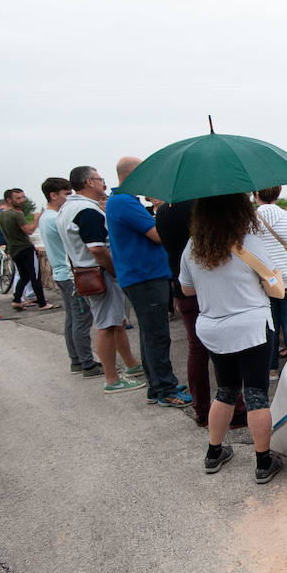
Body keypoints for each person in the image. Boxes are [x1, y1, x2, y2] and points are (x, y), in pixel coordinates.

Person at [178, 192, 283, 483]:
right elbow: (274, 283)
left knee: (225, 390)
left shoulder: (193, 248)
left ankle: (214, 452)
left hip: (213, 329)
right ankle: (263, 461)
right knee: (256, 395)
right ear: (239, 212)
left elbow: (186, 290)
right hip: (250, 327)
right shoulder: (249, 244)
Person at [105, 157, 191, 408]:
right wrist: (164, 208)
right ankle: (165, 388)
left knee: (149, 333)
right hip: (144, 276)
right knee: (157, 335)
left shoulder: (119, 201)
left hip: (142, 275)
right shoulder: (123, 201)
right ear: (133, 174)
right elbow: (158, 235)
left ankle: (157, 386)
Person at [155, 198, 248, 428]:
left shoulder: (162, 212)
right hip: (211, 288)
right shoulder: (201, 207)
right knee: (225, 349)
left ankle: (203, 410)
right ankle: (235, 410)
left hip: (183, 288)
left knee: (196, 350)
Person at [57, 165, 145, 394]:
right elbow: (97, 249)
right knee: (106, 325)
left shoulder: (67, 209)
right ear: (89, 182)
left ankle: (131, 364)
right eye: (99, 178)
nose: (102, 183)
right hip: (99, 274)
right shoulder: (86, 211)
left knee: (116, 323)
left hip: (85, 272)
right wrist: (116, 271)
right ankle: (112, 378)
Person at [37, 177, 100, 374]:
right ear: (53, 195)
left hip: (60, 273)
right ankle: (87, 362)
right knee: (81, 318)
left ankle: (76, 359)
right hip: (70, 274)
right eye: (65, 194)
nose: (69, 198)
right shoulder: (55, 218)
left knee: (72, 318)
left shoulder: (46, 217)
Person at [252, 186, 287, 371]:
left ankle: (272, 368)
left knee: (272, 325)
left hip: (268, 280)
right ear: (278, 194)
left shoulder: (251, 219)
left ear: (257, 194)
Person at [0, 189, 54, 312]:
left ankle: (16, 300)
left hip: (13, 250)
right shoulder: (16, 214)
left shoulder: (1, 215)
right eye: (18, 198)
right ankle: (42, 303)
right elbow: (29, 230)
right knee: (35, 276)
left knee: (24, 276)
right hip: (25, 249)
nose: (22, 201)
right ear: (9, 200)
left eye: (23, 197)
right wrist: (37, 219)